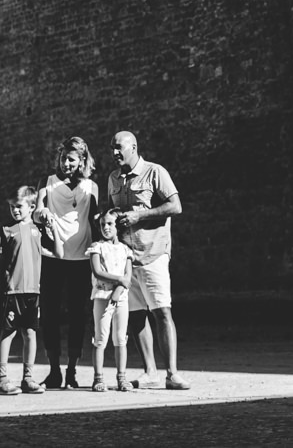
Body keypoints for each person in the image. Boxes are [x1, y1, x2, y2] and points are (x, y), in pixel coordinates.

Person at [103, 130, 189, 390]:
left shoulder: (155, 172)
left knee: (162, 311)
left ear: (134, 147)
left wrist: (140, 216)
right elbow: (111, 211)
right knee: (137, 315)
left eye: (119, 147)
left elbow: (175, 206)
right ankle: (150, 371)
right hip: (127, 259)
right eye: (112, 148)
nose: (115, 153)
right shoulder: (113, 178)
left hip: (153, 254)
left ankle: (172, 373)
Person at [34, 136, 100, 390]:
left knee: (77, 314)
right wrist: (44, 214)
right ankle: (53, 370)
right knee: (49, 313)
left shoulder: (91, 186)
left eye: (71, 159)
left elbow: (94, 219)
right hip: (52, 256)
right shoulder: (47, 183)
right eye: (63, 158)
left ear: (82, 160)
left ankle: (72, 369)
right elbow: (37, 211)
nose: (65, 164)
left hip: (81, 257)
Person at [0, 184, 46, 396]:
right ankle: (2, 378)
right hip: (12, 291)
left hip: (33, 292)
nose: (15, 210)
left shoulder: (38, 231)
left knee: (30, 333)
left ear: (32, 206)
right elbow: (0, 264)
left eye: (19, 206)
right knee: (8, 332)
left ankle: (28, 378)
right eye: (12, 207)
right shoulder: (6, 231)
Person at [86, 207, 133, 392]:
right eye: (103, 224)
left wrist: (118, 290)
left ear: (117, 226)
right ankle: (98, 378)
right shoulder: (97, 247)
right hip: (101, 297)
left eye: (110, 224)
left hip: (121, 299)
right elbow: (98, 272)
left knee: (121, 338)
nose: (106, 227)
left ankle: (122, 377)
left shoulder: (126, 250)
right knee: (100, 338)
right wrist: (118, 280)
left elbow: (127, 276)